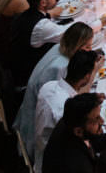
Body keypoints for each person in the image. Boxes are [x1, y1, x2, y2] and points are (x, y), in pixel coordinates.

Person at [14, 21, 95, 152]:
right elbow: (69, 105)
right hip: (41, 131)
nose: (90, 51)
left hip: (33, 108)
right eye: (87, 47)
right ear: (77, 47)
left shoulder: (58, 47)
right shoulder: (62, 67)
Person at [41, 92, 106, 173]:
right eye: (96, 119)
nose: (102, 121)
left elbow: (93, 140)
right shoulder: (78, 165)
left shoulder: (71, 121)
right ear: (78, 131)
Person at [34, 48, 101, 168]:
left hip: (41, 146)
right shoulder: (66, 111)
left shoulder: (49, 86)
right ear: (87, 77)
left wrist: (90, 100)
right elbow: (87, 142)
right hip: (55, 162)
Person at [9, 0, 64, 85]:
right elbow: (72, 34)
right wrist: (102, 22)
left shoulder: (26, 14)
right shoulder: (41, 26)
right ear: (43, 3)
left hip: (18, 67)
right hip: (32, 76)